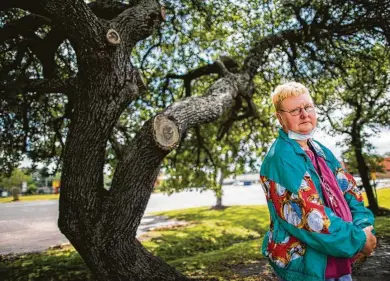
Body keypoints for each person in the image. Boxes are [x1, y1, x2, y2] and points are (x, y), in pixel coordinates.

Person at [259, 82, 376, 281]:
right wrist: (358, 240)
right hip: (308, 268)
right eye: (295, 110)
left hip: (337, 259)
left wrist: (364, 226)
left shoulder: (319, 149)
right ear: (280, 117)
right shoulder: (282, 158)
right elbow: (312, 218)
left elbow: (350, 190)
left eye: (308, 107)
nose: (304, 114)